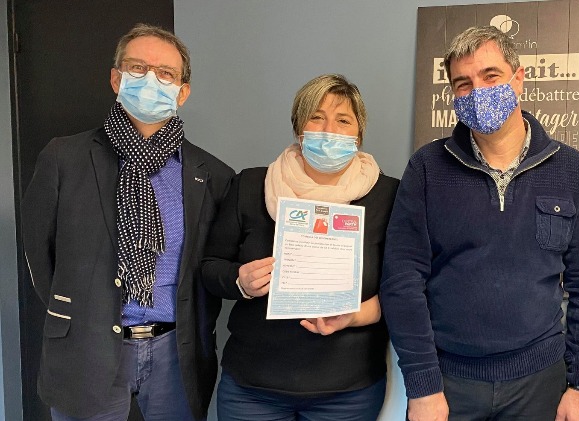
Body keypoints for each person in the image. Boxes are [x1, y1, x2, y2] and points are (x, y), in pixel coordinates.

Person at [380, 25, 579, 421]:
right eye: (463, 84)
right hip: (449, 384)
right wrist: (422, 386)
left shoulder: (572, 170)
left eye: (491, 76)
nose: (478, 91)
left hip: (541, 382)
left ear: (518, 78)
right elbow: (402, 281)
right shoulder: (427, 169)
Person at [21, 23, 234, 420]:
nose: (151, 80)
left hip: (176, 353)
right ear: (116, 78)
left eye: (166, 73)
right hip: (86, 348)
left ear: (183, 92)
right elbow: (39, 253)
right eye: (137, 68)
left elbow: (210, 264)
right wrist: (82, 314)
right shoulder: (64, 158)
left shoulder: (213, 175)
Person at [200, 74, 398, 421]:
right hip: (252, 388)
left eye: (343, 120)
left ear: (359, 133)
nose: (329, 130)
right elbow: (209, 266)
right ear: (298, 127)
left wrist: (354, 314)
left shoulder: (388, 196)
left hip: (348, 393)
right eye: (316, 117)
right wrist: (239, 281)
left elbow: (402, 289)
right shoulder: (251, 185)